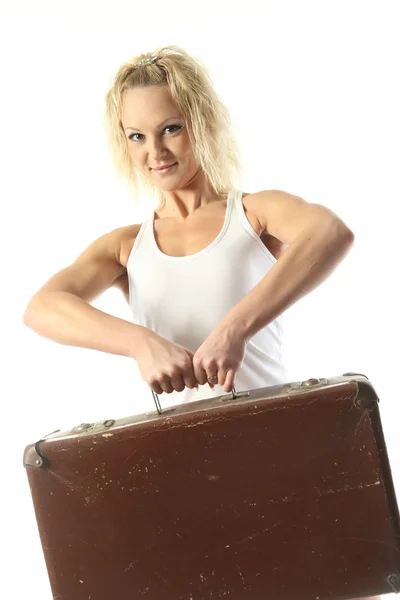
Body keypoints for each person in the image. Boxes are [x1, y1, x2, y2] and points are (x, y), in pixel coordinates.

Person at [22, 45, 379, 600]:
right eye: (136, 136)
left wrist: (234, 329)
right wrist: (141, 344)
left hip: (275, 457)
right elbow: (42, 307)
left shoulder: (254, 212)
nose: (154, 151)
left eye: (170, 128)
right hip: (181, 474)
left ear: (201, 123)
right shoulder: (125, 247)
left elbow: (331, 233)